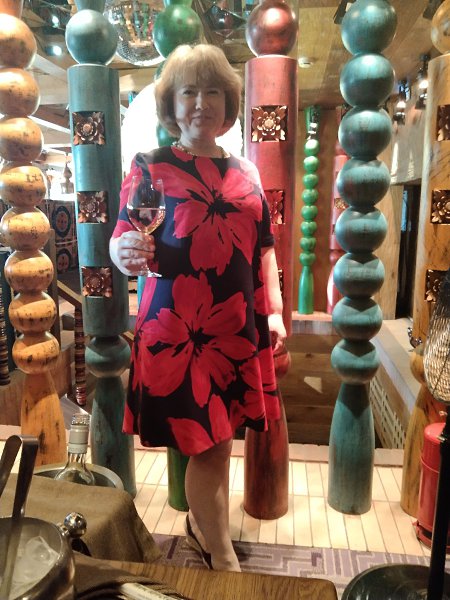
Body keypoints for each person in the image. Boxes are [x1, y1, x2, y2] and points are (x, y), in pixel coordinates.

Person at [110, 43, 286, 572]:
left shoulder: (246, 173)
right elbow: (122, 237)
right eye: (189, 91)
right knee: (208, 446)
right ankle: (223, 555)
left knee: (221, 440)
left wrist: (275, 311)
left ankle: (202, 529)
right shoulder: (150, 166)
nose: (201, 103)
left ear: (228, 104)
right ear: (172, 103)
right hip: (179, 331)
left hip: (235, 327)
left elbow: (264, 248)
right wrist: (124, 253)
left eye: (212, 91)